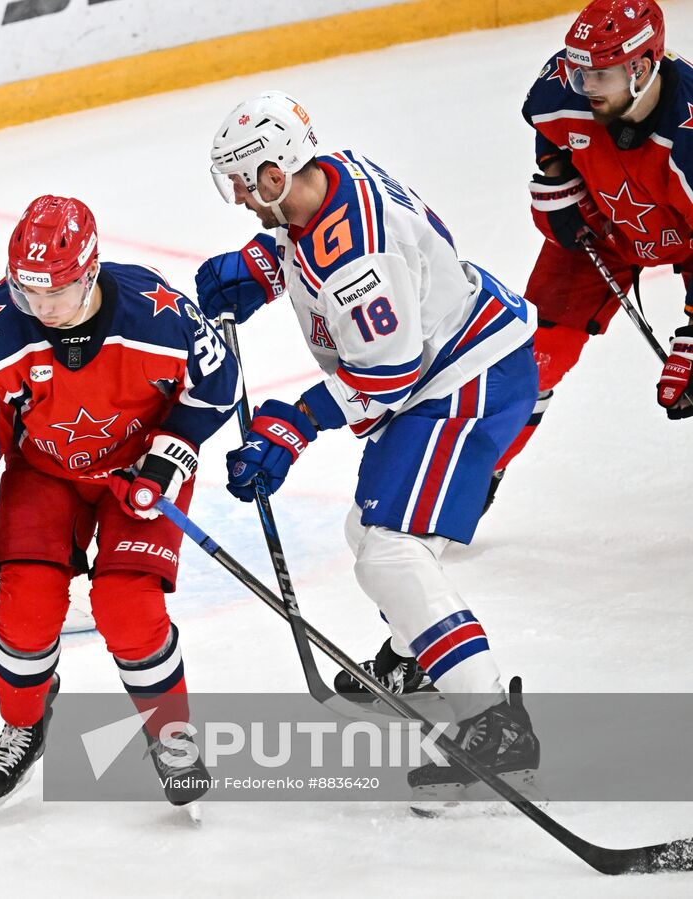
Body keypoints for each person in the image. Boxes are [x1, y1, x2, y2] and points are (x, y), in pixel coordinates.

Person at [197, 90, 540, 803]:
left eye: (242, 181)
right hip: (454, 360)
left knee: (389, 545)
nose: (238, 198)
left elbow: (388, 373)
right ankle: (417, 657)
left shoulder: (359, 255)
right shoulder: (326, 177)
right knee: (370, 530)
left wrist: (292, 425)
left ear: (272, 171)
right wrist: (264, 263)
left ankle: (492, 718)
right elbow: (308, 236)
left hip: (465, 377)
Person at [0, 195, 239, 817]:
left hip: (139, 471)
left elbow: (218, 386)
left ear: (91, 272)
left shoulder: (160, 314)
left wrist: (171, 453)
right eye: (28, 293)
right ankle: (25, 725)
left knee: (129, 609)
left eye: (57, 294)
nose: (41, 309)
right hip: (44, 471)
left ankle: (170, 735)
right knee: (25, 609)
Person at [492, 0, 693, 506]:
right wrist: (558, 180)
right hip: (602, 228)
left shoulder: (688, 138)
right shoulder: (562, 89)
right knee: (528, 362)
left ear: (643, 67)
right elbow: (550, 131)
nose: (585, 88)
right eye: (580, 72)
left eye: (599, 75)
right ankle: (475, 477)